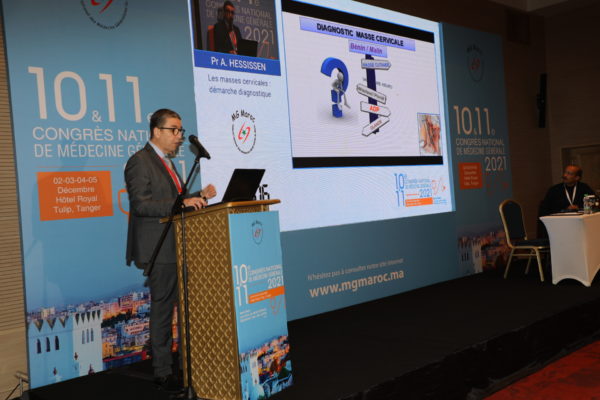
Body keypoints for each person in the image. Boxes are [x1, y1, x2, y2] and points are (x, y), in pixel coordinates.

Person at [125, 108, 216, 392]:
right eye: (174, 130)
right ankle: (163, 372)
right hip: (158, 246)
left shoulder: (167, 162)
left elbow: (174, 201)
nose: (179, 136)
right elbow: (141, 205)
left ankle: (187, 366)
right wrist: (182, 203)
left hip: (176, 245)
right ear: (156, 131)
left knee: (183, 309)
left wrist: (198, 196)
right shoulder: (140, 161)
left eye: (180, 130)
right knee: (163, 310)